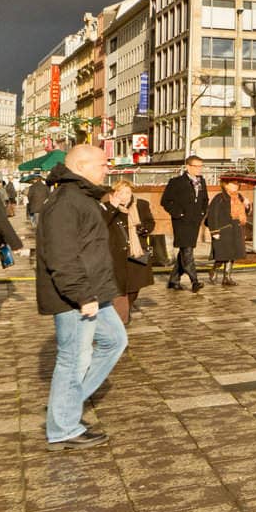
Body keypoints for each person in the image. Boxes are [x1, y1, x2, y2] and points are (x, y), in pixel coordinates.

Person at [36, 145, 127, 449]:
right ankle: (63, 427)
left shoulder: (83, 198)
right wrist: (81, 294)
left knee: (115, 340)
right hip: (78, 296)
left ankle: (65, 405)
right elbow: (61, 257)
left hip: (95, 292)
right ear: (82, 166)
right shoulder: (65, 202)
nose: (107, 169)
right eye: (103, 164)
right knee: (72, 359)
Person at [103, 181, 154, 324]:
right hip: (117, 253)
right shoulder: (108, 208)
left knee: (135, 287)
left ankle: (128, 306)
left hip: (137, 252)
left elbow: (150, 222)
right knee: (121, 286)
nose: (125, 196)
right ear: (114, 193)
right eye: (121, 192)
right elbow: (102, 224)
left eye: (127, 192)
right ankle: (122, 314)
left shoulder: (141, 205)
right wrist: (112, 208)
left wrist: (144, 229)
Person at [160, 155, 209, 291]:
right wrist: (178, 213)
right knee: (187, 251)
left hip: (194, 222)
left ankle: (173, 280)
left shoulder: (201, 181)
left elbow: (205, 199)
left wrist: (202, 213)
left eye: (201, 166)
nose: (200, 169)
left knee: (184, 251)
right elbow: (165, 201)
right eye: (196, 166)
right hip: (181, 223)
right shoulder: (176, 182)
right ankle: (195, 281)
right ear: (188, 167)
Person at [204, 178, 247, 288]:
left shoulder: (240, 197)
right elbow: (212, 215)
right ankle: (214, 270)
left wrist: (247, 205)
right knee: (222, 255)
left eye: (238, 183)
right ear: (226, 185)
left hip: (236, 229)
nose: (236, 185)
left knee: (232, 254)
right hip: (223, 230)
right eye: (233, 183)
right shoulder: (220, 198)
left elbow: (242, 214)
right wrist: (214, 231)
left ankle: (227, 277)